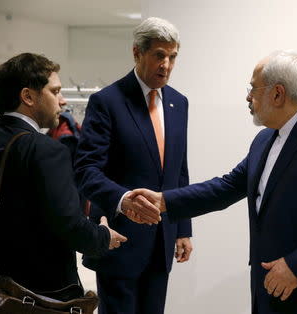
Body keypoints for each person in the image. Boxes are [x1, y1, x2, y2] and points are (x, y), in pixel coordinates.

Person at [129, 50, 297, 314]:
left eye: (253, 89)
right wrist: (164, 201)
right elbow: (227, 187)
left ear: (278, 93)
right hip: (270, 294)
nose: (248, 97)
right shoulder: (265, 139)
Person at [73, 17, 193, 314]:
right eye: (159, 55)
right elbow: (86, 170)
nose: (166, 64)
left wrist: (183, 229)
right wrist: (123, 199)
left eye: (172, 56)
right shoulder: (107, 101)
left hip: (162, 242)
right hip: (119, 240)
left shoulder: (179, 103)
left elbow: (178, 170)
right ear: (137, 53)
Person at [0, 53, 127, 292]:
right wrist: (103, 237)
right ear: (28, 96)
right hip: (37, 293)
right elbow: (69, 224)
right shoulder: (47, 150)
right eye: (55, 91)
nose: (63, 101)